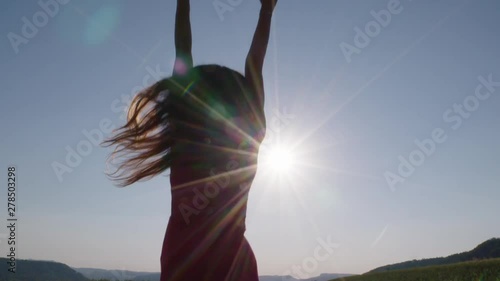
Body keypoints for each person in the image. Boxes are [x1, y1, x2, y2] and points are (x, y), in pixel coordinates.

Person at [102, 0, 278, 280]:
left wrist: (183, 4)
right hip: (233, 262)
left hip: (183, 260)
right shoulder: (247, 143)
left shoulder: (185, 139)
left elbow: (183, 50)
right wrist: (266, 10)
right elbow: (254, 64)